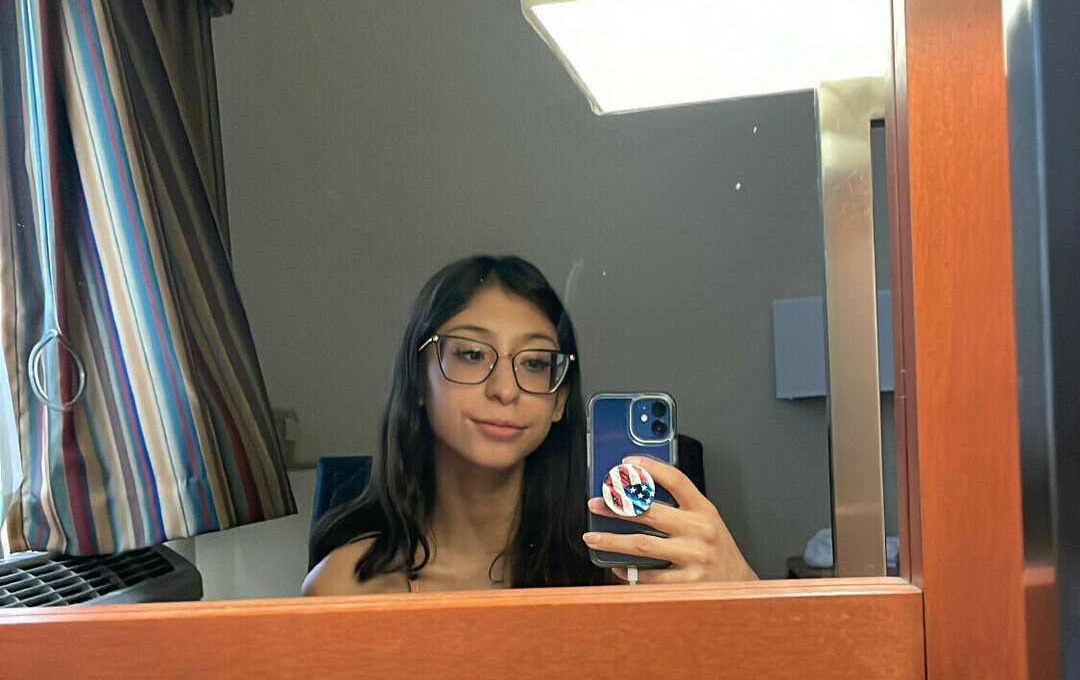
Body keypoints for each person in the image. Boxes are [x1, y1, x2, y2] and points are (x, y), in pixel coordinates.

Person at [302, 254, 755, 595]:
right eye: (471, 354)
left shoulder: (623, 571)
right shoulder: (344, 586)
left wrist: (740, 584)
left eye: (536, 362)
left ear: (560, 400)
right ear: (417, 378)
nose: (505, 389)